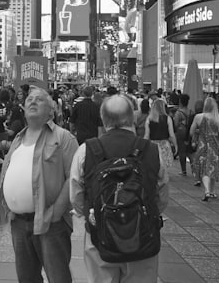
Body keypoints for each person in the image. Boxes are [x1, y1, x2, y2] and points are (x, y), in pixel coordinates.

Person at [70, 95, 168, 282]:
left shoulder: (87, 150)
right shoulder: (151, 150)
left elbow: (76, 195)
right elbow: (162, 193)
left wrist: (93, 216)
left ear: (104, 119)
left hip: (100, 238)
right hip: (143, 238)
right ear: (131, 117)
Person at [0, 86, 78, 283]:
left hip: (51, 223)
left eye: (39, 99)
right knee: (27, 279)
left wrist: (55, 212)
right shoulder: (17, 139)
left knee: (57, 277)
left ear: (51, 111)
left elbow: (74, 177)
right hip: (19, 222)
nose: (32, 101)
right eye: (29, 99)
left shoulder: (63, 137)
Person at [189, 97, 219, 201]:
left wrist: (197, 133)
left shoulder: (198, 117)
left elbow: (191, 132)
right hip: (214, 147)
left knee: (204, 169)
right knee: (212, 168)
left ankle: (207, 191)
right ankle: (212, 191)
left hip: (202, 146)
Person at [143, 98, 176, 173]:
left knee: (154, 167)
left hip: (152, 145)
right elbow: (171, 135)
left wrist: (143, 146)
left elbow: (146, 135)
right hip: (164, 145)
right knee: (163, 169)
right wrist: (175, 145)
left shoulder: (149, 119)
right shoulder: (167, 118)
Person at [172, 94, 193, 176]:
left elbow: (176, 124)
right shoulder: (191, 111)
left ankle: (183, 170)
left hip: (181, 132)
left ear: (180, 102)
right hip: (190, 132)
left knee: (182, 152)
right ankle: (194, 169)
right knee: (190, 152)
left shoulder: (178, 113)